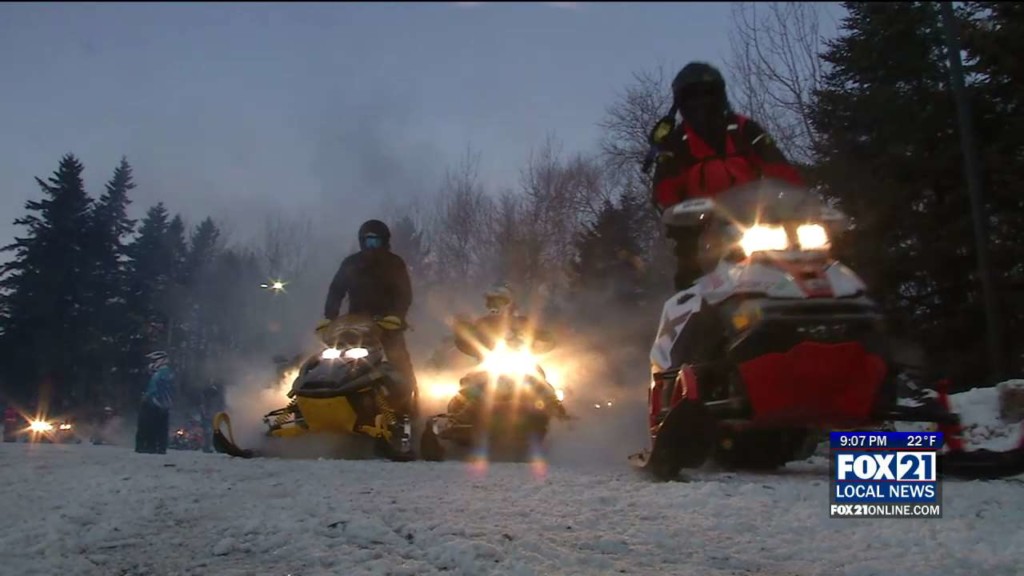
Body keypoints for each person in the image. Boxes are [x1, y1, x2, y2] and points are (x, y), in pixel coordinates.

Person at [647, 61, 805, 291]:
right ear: (682, 102)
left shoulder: (744, 129)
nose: (701, 103)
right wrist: (673, 211)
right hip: (701, 227)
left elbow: (776, 164)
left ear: (719, 95)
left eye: (707, 94)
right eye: (692, 96)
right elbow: (665, 185)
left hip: (756, 218)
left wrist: (798, 198)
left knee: (811, 252)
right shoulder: (676, 142)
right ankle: (694, 304)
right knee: (690, 275)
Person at [320, 219, 417, 419]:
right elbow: (336, 289)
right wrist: (330, 317)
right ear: (361, 241)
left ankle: (408, 406)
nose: (371, 245)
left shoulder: (394, 263)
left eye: (375, 241)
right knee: (336, 360)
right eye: (367, 241)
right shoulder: (351, 263)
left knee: (398, 360)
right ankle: (331, 400)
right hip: (356, 323)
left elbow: (404, 294)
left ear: (384, 241)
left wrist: (397, 316)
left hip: (387, 324)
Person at [447, 284, 561, 421]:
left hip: (519, 362)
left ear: (510, 303)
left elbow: (537, 333)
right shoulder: (482, 323)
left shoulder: (522, 322)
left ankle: (558, 413)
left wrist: (546, 337)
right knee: (469, 384)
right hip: (490, 363)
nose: (495, 305)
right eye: (492, 301)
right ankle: (457, 417)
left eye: (500, 301)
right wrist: (464, 337)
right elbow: (469, 338)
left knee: (540, 379)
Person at [135, 351, 175, 454]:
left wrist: (147, 397)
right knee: (160, 428)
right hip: (162, 405)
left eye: (153, 361)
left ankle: (149, 447)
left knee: (150, 426)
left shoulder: (160, 374)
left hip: (154, 404)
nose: (150, 364)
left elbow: (154, 390)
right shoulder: (166, 373)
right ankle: (157, 447)